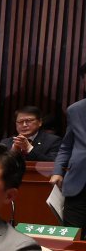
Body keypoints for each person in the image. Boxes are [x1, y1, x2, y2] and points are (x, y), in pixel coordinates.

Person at [51, 63, 86, 227]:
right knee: (71, 236)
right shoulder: (75, 110)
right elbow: (66, 146)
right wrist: (58, 170)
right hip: (77, 184)